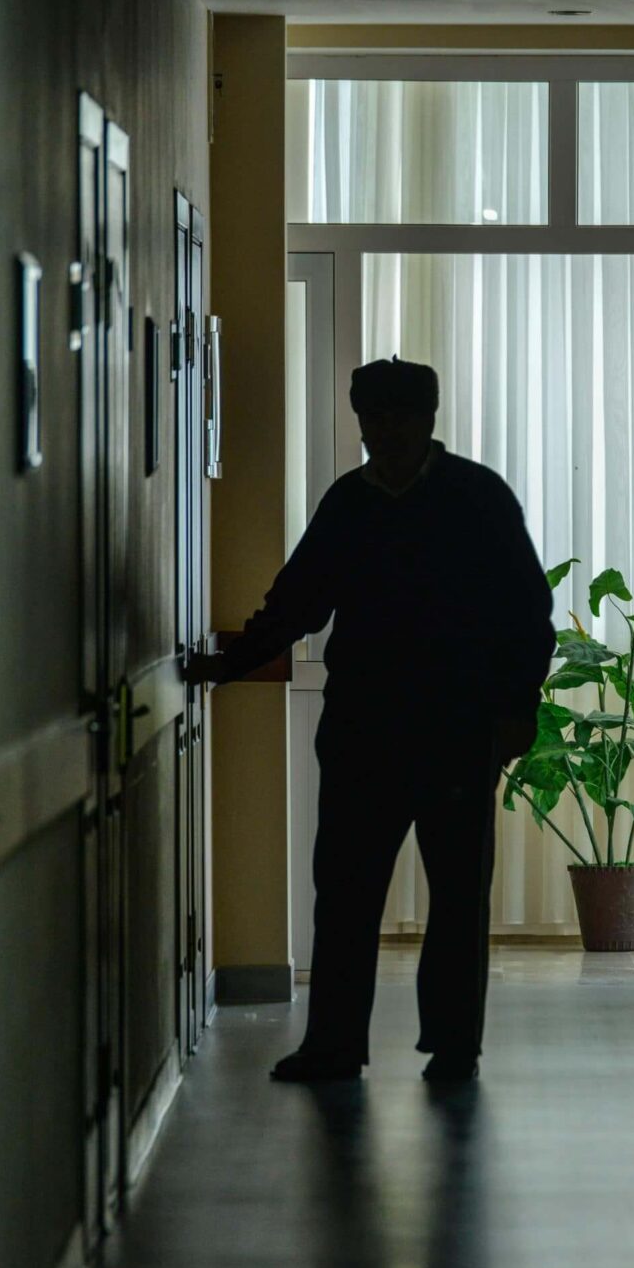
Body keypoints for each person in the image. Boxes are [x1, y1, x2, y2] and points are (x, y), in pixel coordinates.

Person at [185, 357, 552, 1084]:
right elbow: (297, 601)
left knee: (456, 897)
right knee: (346, 892)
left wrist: (519, 708)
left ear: (429, 419)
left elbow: (527, 614)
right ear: (358, 421)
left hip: (456, 729)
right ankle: (334, 1043)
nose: (384, 432)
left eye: (398, 416)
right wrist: (227, 664)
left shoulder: (478, 499)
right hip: (364, 731)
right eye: (372, 418)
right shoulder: (348, 503)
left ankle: (453, 1046)